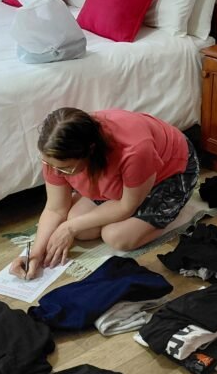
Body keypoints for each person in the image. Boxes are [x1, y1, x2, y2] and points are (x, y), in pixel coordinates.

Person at [10, 107, 199, 279]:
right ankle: (116, 199)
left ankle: (173, 214)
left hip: (171, 171)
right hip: (124, 180)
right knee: (83, 230)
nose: (56, 173)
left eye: (65, 169)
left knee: (116, 237)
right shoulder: (54, 153)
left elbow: (126, 206)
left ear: (90, 151)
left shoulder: (134, 150)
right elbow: (55, 208)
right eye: (49, 164)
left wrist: (68, 227)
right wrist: (34, 254)